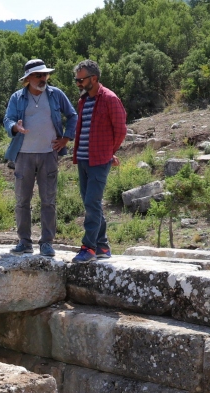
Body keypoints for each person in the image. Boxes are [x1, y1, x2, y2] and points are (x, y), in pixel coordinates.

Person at [3, 59, 77, 257]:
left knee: (48, 201)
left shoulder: (56, 95)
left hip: (48, 155)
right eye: (38, 75)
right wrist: (15, 127)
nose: (43, 78)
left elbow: (72, 115)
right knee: (22, 201)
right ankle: (24, 242)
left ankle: (46, 243)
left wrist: (66, 138)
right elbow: (7, 119)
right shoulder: (17, 98)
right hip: (23, 155)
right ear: (28, 79)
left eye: (45, 74)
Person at [70, 59, 127, 263]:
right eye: (76, 80)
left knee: (92, 202)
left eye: (81, 80)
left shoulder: (110, 99)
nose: (78, 83)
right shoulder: (83, 101)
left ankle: (89, 248)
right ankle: (102, 246)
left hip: (99, 161)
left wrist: (108, 153)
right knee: (90, 203)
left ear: (94, 78)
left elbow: (121, 130)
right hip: (84, 160)